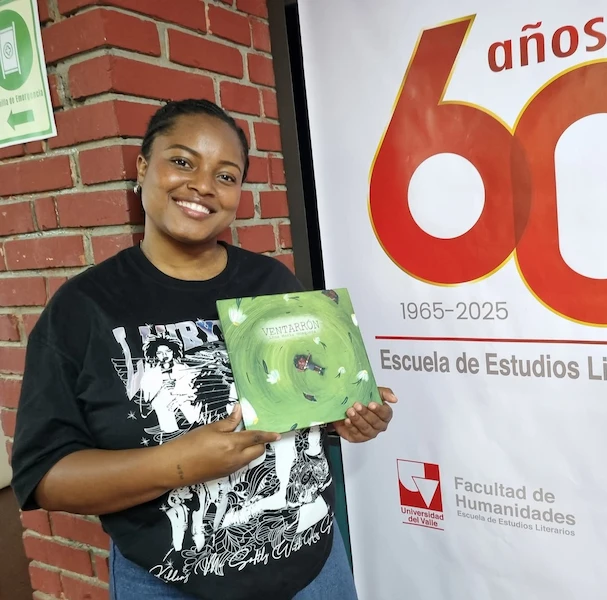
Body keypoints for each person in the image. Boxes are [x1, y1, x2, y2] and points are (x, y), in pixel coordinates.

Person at [10, 99, 397, 600]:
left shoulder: (271, 282)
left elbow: (303, 406)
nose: (203, 186)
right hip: (169, 581)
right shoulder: (84, 310)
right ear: (143, 167)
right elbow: (44, 477)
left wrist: (346, 415)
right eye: (182, 161)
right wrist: (180, 464)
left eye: (227, 175)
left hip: (313, 568)